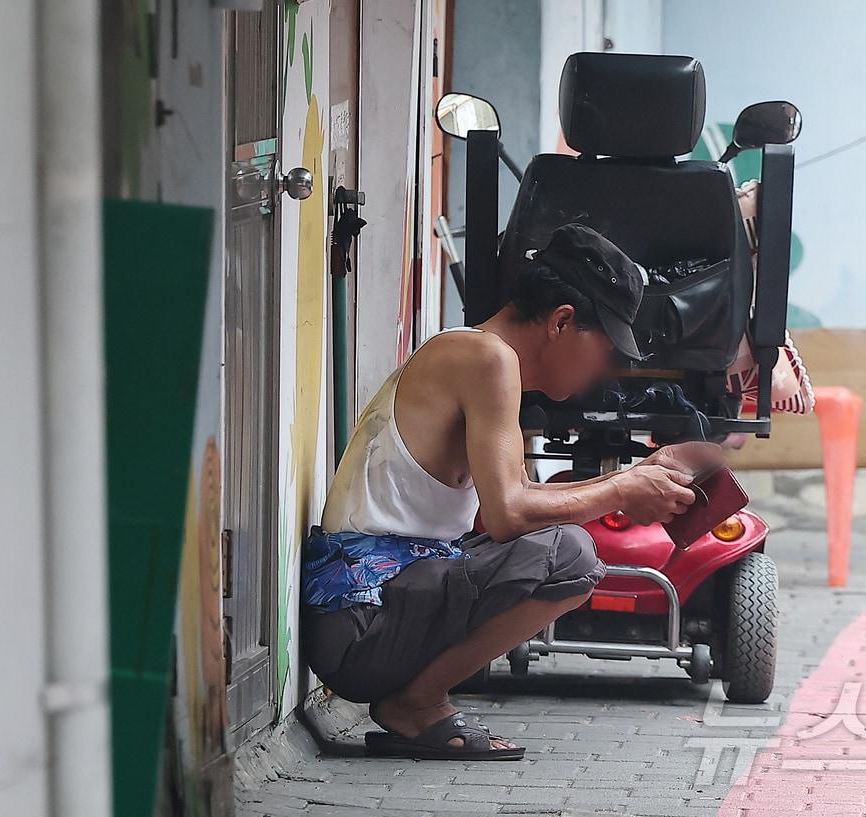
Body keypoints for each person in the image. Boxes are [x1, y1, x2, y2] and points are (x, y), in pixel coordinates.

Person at [303, 223, 724, 760]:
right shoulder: (488, 359)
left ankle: (416, 700)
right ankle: (417, 703)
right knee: (570, 554)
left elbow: (511, 507)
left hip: (366, 616)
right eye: (605, 349)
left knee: (561, 542)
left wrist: (638, 478)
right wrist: (621, 488)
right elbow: (507, 516)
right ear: (562, 322)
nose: (604, 369)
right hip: (359, 623)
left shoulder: (481, 358)